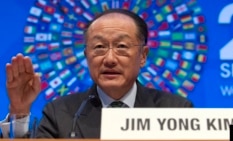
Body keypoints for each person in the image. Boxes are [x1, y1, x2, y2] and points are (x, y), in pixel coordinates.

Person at [0, 8, 193, 138]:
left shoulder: (176, 110)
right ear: (87, 55)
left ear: (143, 56)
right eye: (99, 47)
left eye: (122, 46)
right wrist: (19, 109)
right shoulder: (60, 114)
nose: (109, 59)